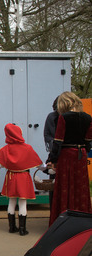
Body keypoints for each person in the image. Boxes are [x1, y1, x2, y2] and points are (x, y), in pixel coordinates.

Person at [47, 91, 92, 226]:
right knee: (81, 187)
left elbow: (58, 141)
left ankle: (61, 222)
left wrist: (52, 160)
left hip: (66, 155)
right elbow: (88, 141)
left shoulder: (64, 118)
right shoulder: (88, 118)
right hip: (81, 154)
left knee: (64, 187)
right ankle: (82, 222)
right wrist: (83, 150)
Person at [0, 123, 45, 235]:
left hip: (11, 177)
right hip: (23, 177)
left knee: (11, 201)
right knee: (22, 202)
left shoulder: (4, 150)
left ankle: (11, 227)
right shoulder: (28, 148)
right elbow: (39, 165)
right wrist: (46, 167)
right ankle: (22, 229)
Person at [43, 96, 59, 208]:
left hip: (68, 154)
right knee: (54, 183)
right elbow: (47, 135)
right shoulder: (51, 117)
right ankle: (54, 211)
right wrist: (55, 145)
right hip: (55, 153)